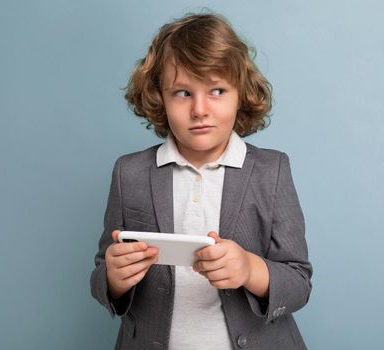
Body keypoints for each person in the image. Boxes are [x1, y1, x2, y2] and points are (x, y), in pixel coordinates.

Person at [90, 12, 313, 350]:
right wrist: (113, 279)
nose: (199, 109)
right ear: (159, 98)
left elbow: (298, 281)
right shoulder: (129, 173)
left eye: (217, 90)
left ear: (241, 94)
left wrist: (250, 269)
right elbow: (101, 274)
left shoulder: (272, 170)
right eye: (182, 93)